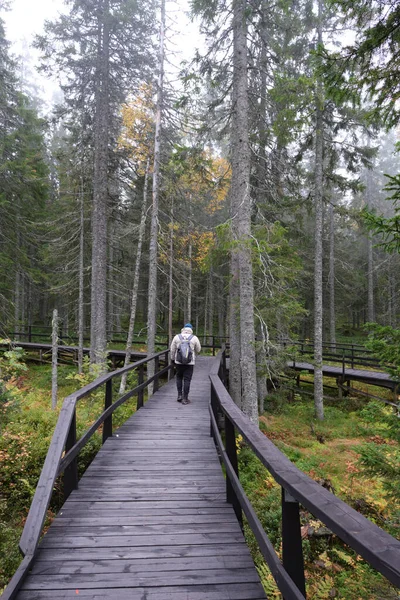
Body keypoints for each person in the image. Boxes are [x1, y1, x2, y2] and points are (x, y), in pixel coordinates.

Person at [170, 323, 201, 405]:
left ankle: (179, 395)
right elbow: (198, 350)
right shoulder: (194, 338)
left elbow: (172, 349)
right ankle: (185, 398)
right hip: (190, 363)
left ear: (183, 329)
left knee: (179, 377)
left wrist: (173, 359)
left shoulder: (177, 337)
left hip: (179, 362)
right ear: (191, 330)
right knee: (187, 379)